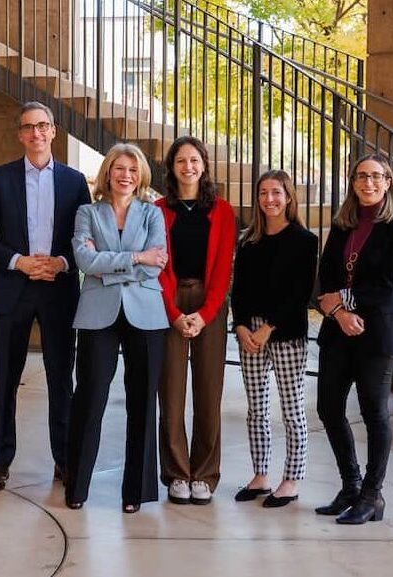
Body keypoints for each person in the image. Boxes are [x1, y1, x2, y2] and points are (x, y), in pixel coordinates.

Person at [0, 101, 92, 492]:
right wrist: (18, 261)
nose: (36, 133)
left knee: (62, 381)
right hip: (13, 291)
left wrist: (61, 262)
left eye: (43, 126)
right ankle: (1, 462)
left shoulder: (75, 182)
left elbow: (86, 239)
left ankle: (64, 461)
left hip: (58, 291)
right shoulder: (0, 178)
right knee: (4, 380)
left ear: (54, 131)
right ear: (20, 134)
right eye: (28, 127)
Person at [64, 143, 168, 513]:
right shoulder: (87, 213)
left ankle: (136, 492)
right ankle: (76, 487)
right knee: (90, 398)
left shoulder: (152, 214)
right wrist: (136, 257)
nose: (125, 175)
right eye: (119, 168)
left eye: (133, 169)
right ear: (107, 172)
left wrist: (109, 265)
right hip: (97, 314)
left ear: (140, 176)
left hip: (147, 315)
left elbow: (158, 264)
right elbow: (84, 260)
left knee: (143, 402)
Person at [315, 153, 393, 524]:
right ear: (352, 182)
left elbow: (388, 285)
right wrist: (339, 314)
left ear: (388, 181)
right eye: (361, 176)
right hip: (339, 332)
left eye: (376, 176)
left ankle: (373, 495)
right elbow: (326, 275)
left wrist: (343, 300)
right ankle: (351, 485)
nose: (368, 183)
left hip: (378, 335)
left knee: (374, 414)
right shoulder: (343, 225)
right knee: (328, 408)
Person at [155, 135, 237, 505]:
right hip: (168, 302)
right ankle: (176, 473)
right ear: (171, 169)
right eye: (180, 161)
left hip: (210, 304)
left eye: (194, 160)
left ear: (204, 165)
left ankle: (204, 474)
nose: (188, 167)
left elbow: (223, 270)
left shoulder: (222, 210)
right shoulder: (157, 209)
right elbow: (158, 265)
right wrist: (173, 314)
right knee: (170, 394)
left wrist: (204, 315)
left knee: (208, 392)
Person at [231, 170, 318, 508]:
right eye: (264, 193)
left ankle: (292, 479)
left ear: (288, 197)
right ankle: (261, 475)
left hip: (284, 333)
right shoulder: (248, 241)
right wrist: (240, 326)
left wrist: (269, 328)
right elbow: (238, 290)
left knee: (292, 409)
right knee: (257, 408)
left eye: (276, 193)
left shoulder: (304, 240)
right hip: (249, 332)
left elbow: (300, 294)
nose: (270, 199)